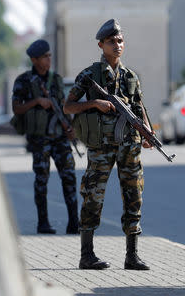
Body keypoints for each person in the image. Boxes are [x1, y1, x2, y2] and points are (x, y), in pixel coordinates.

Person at [64, 19, 152, 270]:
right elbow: (68, 106)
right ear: (101, 44)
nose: (117, 45)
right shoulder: (90, 75)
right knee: (93, 195)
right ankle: (87, 255)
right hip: (101, 147)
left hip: (129, 146)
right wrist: (94, 104)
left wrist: (147, 132)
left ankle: (132, 256)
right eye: (112, 41)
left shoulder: (130, 76)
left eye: (120, 41)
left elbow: (139, 108)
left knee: (134, 196)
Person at [12, 39, 79, 234]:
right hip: (39, 139)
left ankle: (74, 222)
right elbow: (16, 108)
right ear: (34, 59)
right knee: (41, 179)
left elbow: (64, 105)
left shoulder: (56, 80)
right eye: (45, 57)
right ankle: (43, 223)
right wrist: (36, 102)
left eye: (50, 56)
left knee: (69, 177)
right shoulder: (23, 81)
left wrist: (70, 127)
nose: (49, 59)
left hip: (59, 138)